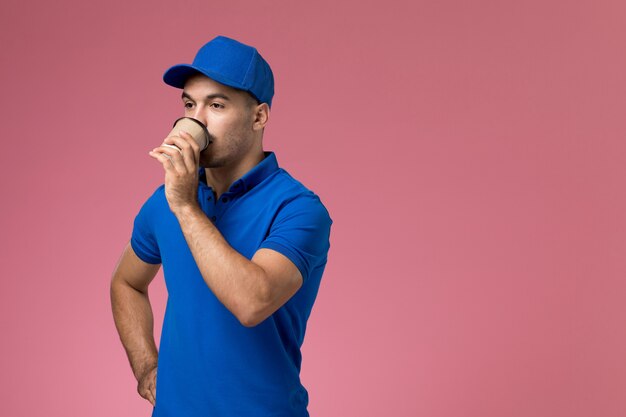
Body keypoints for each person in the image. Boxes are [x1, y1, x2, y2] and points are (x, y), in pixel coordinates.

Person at [110, 35, 333, 417]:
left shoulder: (298, 208)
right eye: (188, 104)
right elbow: (126, 283)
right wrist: (146, 366)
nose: (196, 119)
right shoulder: (165, 201)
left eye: (216, 105)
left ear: (259, 116)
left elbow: (251, 303)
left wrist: (185, 206)